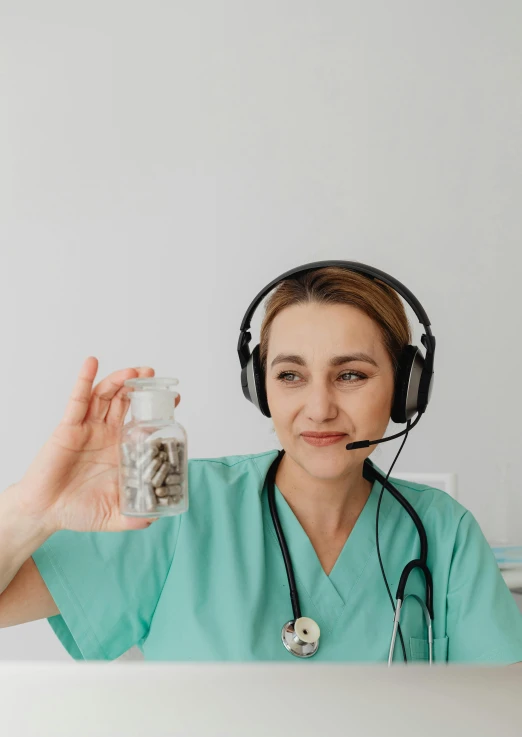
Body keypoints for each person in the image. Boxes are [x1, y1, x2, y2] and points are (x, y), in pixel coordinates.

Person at [1, 266, 522, 664]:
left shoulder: (444, 534)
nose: (318, 408)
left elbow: (501, 721)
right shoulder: (171, 508)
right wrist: (34, 507)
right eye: (291, 376)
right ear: (260, 388)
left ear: (405, 390)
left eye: (351, 376)